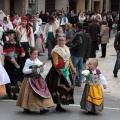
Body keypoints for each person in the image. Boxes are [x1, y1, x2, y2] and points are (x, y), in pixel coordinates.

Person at [16, 47, 54, 113]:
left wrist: (42, 66)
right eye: (34, 54)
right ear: (30, 54)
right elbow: (24, 71)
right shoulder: (28, 61)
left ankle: (42, 107)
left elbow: (40, 71)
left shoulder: (37, 60)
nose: (36, 56)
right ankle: (27, 107)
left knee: (41, 92)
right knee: (30, 94)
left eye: (36, 54)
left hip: (38, 79)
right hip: (30, 79)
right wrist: (31, 70)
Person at [46, 33, 76, 112]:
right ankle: (58, 105)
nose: (61, 42)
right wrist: (60, 71)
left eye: (63, 40)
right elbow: (55, 63)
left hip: (66, 70)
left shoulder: (66, 48)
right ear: (57, 41)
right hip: (58, 72)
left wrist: (73, 70)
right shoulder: (55, 50)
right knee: (58, 88)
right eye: (60, 40)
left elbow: (69, 60)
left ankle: (64, 101)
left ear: (65, 41)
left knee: (66, 86)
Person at [3, 29, 25, 100]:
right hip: (9, 63)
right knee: (11, 77)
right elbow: (4, 52)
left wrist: (22, 54)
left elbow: (22, 51)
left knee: (18, 77)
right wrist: (8, 55)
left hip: (17, 61)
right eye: (8, 35)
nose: (9, 36)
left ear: (14, 35)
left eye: (11, 34)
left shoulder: (18, 43)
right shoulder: (6, 43)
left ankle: (16, 92)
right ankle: (11, 92)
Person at [70, 22, 91, 87]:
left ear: (77, 27)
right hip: (82, 54)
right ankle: (79, 81)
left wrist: (72, 47)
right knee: (80, 68)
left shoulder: (78, 34)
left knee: (72, 68)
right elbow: (88, 46)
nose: (74, 28)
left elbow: (79, 42)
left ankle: (71, 80)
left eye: (75, 27)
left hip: (76, 53)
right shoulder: (85, 34)